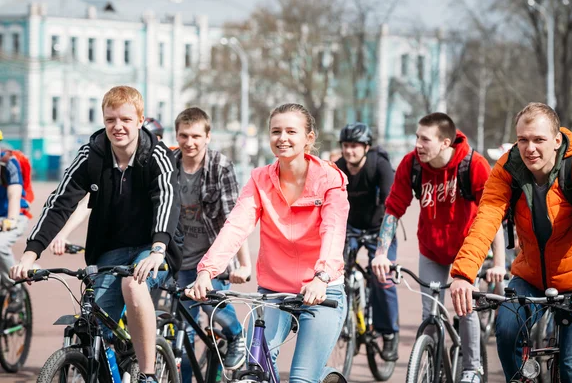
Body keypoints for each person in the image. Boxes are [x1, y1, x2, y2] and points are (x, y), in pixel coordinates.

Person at [10, 86, 181, 383]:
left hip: (153, 246)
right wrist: (30, 254)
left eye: (126, 119)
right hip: (110, 249)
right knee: (93, 324)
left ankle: (149, 375)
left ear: (140, 120)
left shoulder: (156, 154)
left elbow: (167, 198)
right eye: (111, 119)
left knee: (133, 286)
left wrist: (157, 248)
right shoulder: (93, 154)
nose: (118, 126)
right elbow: (60, 201)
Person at [186, 103, 349, 383]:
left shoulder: (329, 178)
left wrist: (322, 277)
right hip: (273, 292)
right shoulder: (260, 179)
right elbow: (236, 225)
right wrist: (206, 271)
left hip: (322, 292)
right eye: (276, 131)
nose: (282, 138)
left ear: (309, 138)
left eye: (291, 131)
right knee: (256, 368)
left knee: (300, 378)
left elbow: (333, 232)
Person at [450, 102, 572, 382]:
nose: (530, 148)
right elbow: (486, 218)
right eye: (523, 140)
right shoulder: (508, 168)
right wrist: (462, 274)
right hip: (529, 275)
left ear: (557, 141)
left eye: (539, 140)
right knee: (506, 328)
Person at [372, 112, 506, 383]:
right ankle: (431, 362)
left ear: (445, 142)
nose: (417, 145)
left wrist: (500, 263)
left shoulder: (474, 165)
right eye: (416, 138)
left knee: (465, 308)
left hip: (466, 251)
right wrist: (381, 252)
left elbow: (492, 216)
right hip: (431, 249)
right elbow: (394, 209)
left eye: (424, 139)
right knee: (429, 312)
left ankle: (472, 369)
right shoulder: (413, 164)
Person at [173, 107, 251, 378]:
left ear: (208, 136)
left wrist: (243, 264)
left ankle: (235, 334)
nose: (189, 142)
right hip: (178, 259)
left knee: (211, 306)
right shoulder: (170, 164)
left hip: (212, 258)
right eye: (184, 135)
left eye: (196, 136)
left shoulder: (220, 166)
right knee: (182, 330)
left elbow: (234, 218)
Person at [46, 117, 167, 254]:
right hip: (123, 243)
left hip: (157, 242)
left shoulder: (163, 166)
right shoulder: (116, 167)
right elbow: (86, 205)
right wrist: (62, 234)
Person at [335, 122, 399, 361]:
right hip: (350, 228)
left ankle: (389, 333)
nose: (349, 151)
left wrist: (382, 248)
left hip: (379, 228)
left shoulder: (379, 166)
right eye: (346, 146)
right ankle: (344, 324)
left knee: (382, 277)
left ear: (366, 147)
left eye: (355, 146)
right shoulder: (338, 168)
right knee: (335, 273)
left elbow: (392, 207)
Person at [0, 130, 31, 289]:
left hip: (14, 215)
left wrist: (11, 219)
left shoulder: (8, 162)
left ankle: (15, 289)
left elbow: (14, 193)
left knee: (0, 246)